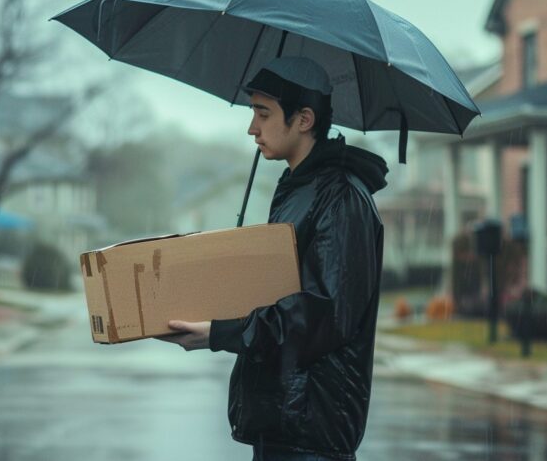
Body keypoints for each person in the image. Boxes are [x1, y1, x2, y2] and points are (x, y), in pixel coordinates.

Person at [158, 57, 388, 461]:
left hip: (312, 434)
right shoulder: (298, 190)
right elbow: (278, 292)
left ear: (303, 119)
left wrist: (221, 333)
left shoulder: (342, 199)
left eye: (263, 114)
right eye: (253, 112)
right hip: (282, 426)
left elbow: (320, 315)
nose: (252, 128)